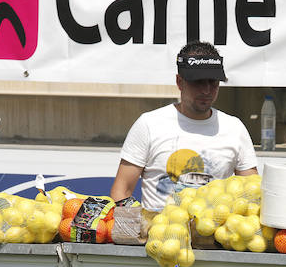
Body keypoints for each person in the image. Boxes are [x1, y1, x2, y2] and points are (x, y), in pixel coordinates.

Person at [110, 42, 259, 212]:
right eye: (198, 82)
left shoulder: (234, 128)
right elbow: (121, 191)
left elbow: (252, 194)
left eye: (213, 82)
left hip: (214, 235)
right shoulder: (149, 124)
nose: (207, 90)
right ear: (179, 82)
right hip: (157, 236)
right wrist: (139, 230)